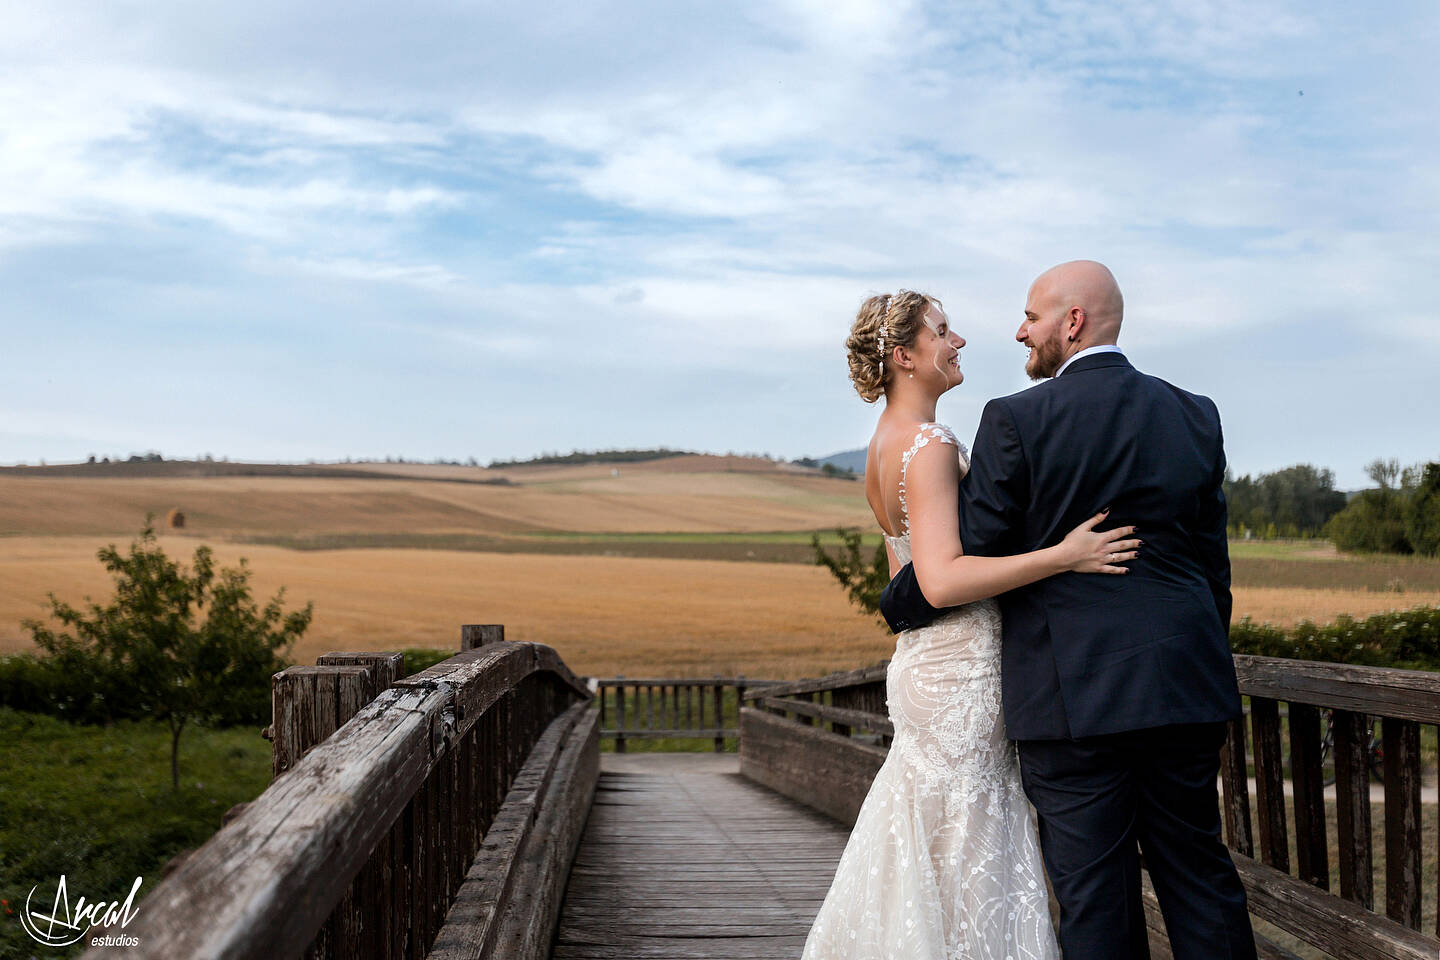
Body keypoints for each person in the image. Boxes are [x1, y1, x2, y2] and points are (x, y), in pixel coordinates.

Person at [881, 261, 1256, 960]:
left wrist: (899, 598)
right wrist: (1199, 663)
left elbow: (974, 547)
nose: (1019, 331)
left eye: (1030, 317)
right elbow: (1212, 568)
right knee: (1201, 880)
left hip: (1070, 698)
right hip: (1184, 689)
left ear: (1072, 322)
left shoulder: (1018, 418)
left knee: (1095, 899)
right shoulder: (1194, 412)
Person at [801, 289, 1139, 960]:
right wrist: (1064, 556)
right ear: (905, 356)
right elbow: (942, 579)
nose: (958, 343)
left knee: (934, 838)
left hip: (925, 659)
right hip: (960, 665)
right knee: (970, 839)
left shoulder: (882, 446)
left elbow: (912, 574)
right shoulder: (927, 445)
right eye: (943, 331)